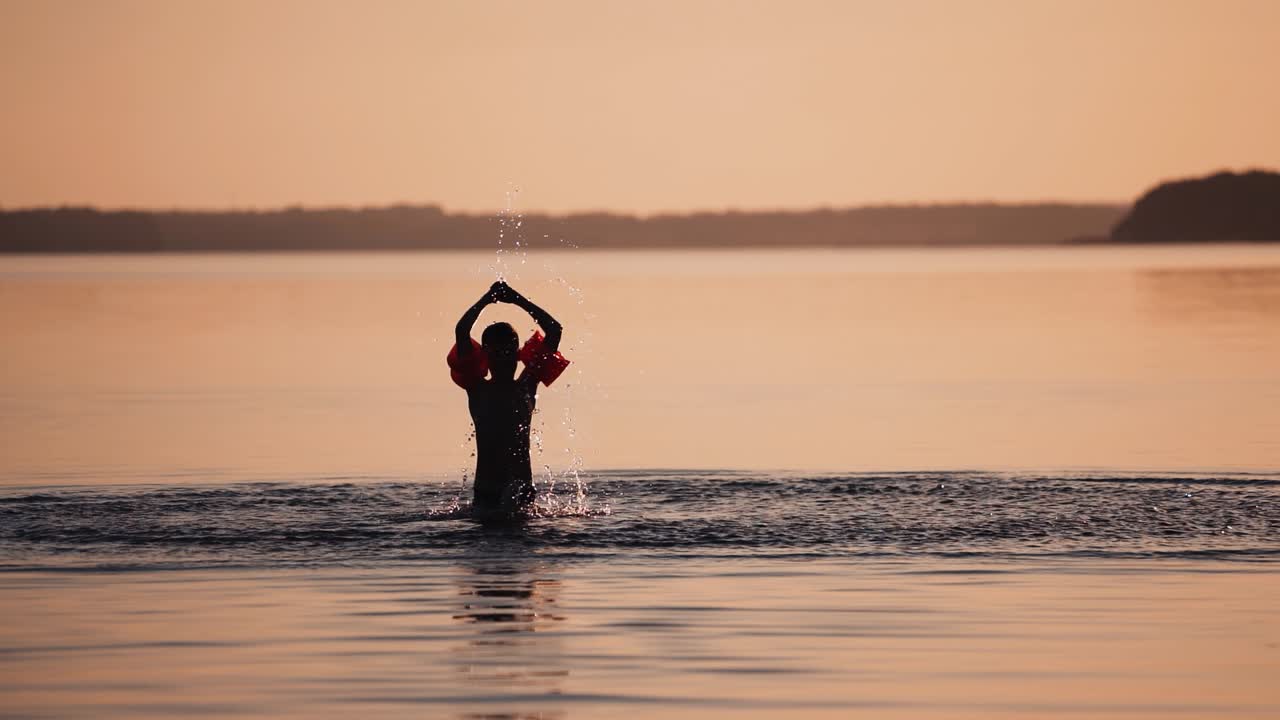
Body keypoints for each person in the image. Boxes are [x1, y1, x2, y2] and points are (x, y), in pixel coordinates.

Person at [448, 281, 570, 517]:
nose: (502, 359)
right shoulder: (477, 389)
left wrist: (518, 300)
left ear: (518, 354)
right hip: (487, 490)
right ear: (484, 355)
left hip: (521, 490)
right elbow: (462, 332)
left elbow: (555, 330)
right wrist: (486, 299)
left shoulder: (526, 385)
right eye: (495, 353)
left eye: (508, 353)